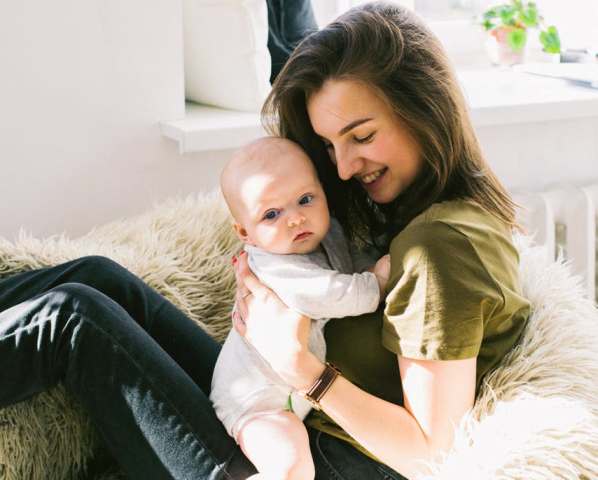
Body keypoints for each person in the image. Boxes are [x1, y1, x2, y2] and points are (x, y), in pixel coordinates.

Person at [0, 2, 530, 479]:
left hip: (299, 461)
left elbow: (430, 453)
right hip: (278, 406)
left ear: (425, 109)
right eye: (330, 146)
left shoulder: (439, 250)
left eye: (362, 136)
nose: (344, 168)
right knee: (99, 277)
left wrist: (302, 368)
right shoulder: (422, 213)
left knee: (74, 318)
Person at [214, 136, 390, 480]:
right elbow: (330, 293)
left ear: (323, 192)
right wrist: (377, 283)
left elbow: (350, 263)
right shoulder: (273, 265)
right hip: (256, 402)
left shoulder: (327, 233)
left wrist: (369, 265)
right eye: (271, 214)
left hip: (295, 396)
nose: (295, 219)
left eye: (305, 199)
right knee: (292, 468)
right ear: (245, 232)